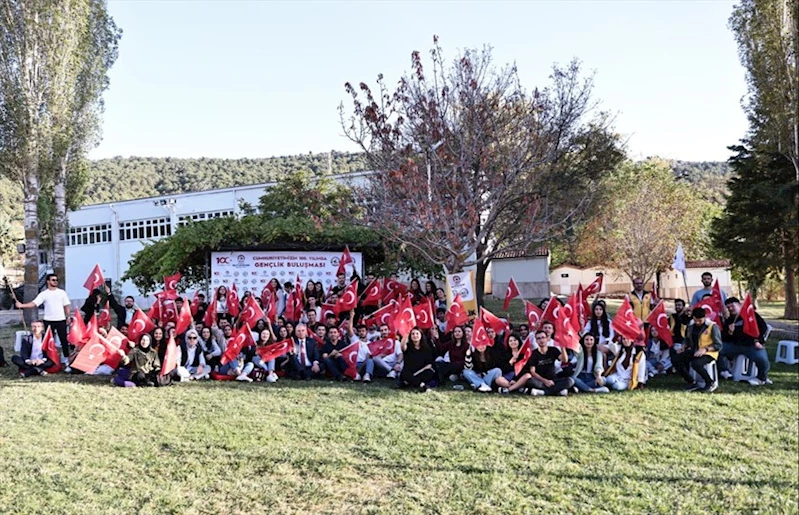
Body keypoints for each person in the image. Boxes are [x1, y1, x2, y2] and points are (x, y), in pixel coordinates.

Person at [15, 273, 71, 367]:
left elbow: (66, 305)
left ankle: (66, 359)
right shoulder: (44, 294)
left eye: (56, 280)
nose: (55, 282)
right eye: (53, 280)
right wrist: (22, 306)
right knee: (48, 342)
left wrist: (68, 316)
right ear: (48, 281)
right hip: (48, 320)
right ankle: (49, 359)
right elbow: (34, 303)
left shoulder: (62, 292)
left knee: (64, 340)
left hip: (61, 320)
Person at [718, 297, 771, 385]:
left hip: (752, 345)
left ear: (739, 305)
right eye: (728, 307)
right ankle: (724, 371)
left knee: (762, 359)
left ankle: (761, 378)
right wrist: (729, 332)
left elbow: (763, 329)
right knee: (717, 348)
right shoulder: (729, 320)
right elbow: (724, 338)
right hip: (735, 346)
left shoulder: (752, 316)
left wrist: (759, 341)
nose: (730, 309)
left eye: (732, 306)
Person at [671, 307, 721, 393]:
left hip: (709, 352)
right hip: (695, 351)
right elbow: (687, 339)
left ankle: (710, 382)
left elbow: (718, 345)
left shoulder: (712, 326)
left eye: (700, 321)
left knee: (696, 363)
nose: (697, 322)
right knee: (676, 359)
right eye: (695, 320)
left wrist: (705, 349)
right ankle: (691, 381)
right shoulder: (691, 326)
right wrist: (683, 346)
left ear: (704, 318)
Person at [517, 330, 574, 396]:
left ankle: (543, 392)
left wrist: (562, 348)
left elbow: (565, 360)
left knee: (570, 381)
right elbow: (532, 371)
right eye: (538, 338)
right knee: (530, 381)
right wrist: (545, 381)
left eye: (543, 337)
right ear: (536, 341)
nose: (541, 340)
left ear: (547, 338)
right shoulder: (533, 354)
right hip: (541, 381)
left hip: (553, 380)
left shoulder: (553, 350)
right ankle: (557, 391)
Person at [399, 328, 436, 392]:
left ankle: (408, 382)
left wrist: (415, 374)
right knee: (404, 373)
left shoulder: (426, 348)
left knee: (429, 373)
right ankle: (422, 385)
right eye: (412, 334)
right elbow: (402, 347)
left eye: (417, 334)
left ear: (421, 335)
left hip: (421, 371)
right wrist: (405, 335)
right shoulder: (408, 347)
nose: (415, 335)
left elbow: (429, 365)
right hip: (409, 371)